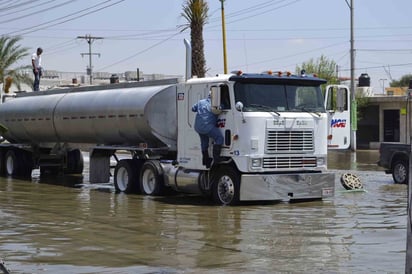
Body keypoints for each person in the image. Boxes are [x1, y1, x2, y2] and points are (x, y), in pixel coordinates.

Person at [192, 92, 224, 168]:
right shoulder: (216, 105)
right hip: (207, 126)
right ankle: (216, 159)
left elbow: (193, 108)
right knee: (219, 138)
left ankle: (206, 161)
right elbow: (222, 108)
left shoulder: (201, 102)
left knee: (204, 142)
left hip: (198, 127)